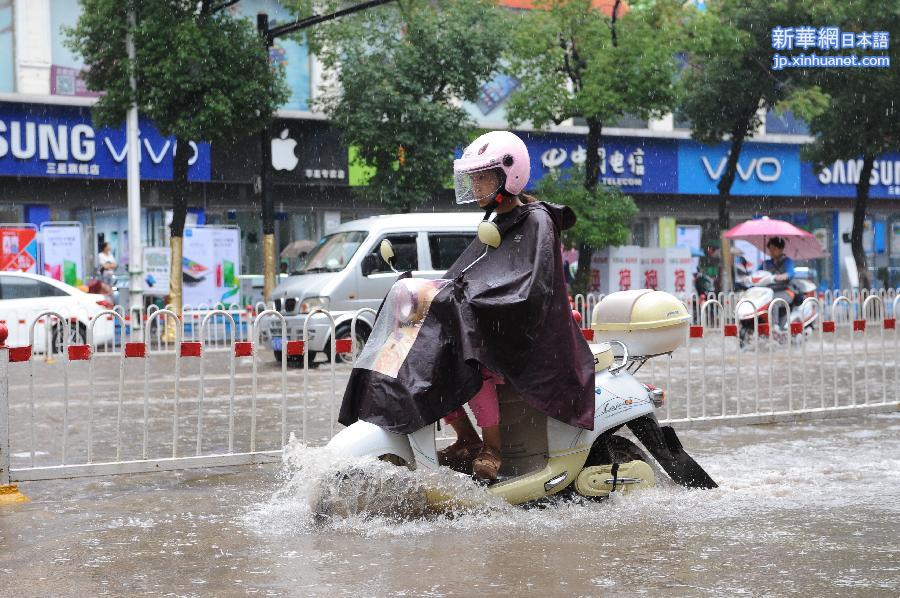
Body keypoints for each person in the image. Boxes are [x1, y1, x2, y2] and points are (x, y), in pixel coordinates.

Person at [338, 131, 595, 482]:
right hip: (492, 322)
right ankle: (466, 439)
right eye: (473, 179)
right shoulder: (493, 223)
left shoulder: (536, 221)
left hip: (523, 332)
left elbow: (530, 286)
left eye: (482, 178)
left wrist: (475, 301)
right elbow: (470, 274)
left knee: (471, 362)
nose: (475, 187)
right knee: (427, 361)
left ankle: (493, 448)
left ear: (510, 174)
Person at [761, 236, 795, 329]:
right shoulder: (766, 263)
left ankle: (774, 327)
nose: (771, 251)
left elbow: (791, 273)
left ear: (781, 249)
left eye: (774, 249)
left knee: (773, 301)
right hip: (769, 291)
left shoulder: (787, 261)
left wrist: (783, 276)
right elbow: (757, 273)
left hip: (786, 291)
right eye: (770, 249)